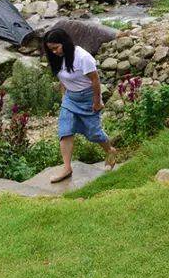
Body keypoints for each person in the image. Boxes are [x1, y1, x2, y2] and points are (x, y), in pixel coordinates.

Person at [43, 27, 116, 182]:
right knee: (65, 129)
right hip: (70, 98)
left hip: (88, 97)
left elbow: (95, 80)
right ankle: (67, 168)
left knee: (93, 133)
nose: (54, 52)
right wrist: (64, 97)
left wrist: (97, 101)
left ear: (65, 42)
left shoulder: (82, 57)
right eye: (51, 49)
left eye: (56, 48)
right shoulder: (56, 57)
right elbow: (62, 79)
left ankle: (110, 150)